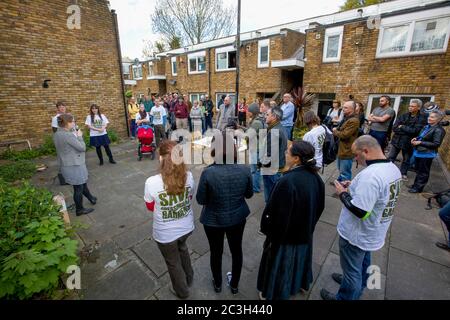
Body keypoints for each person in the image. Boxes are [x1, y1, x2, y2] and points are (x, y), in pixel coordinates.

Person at [320, 135, 401, 300]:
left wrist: (342, 194)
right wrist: (354, 186)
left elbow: (360, 211)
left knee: (352, 270)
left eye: (356, 155)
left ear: (366, 151)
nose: (355, 159)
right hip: (374, 231)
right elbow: (379, 196)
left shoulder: (371, 176)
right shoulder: (392, 168)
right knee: (363, 263)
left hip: (357, 234)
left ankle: (346, 294)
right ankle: (359, 282)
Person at [258, 141, 325, 300]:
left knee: (282, 267)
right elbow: (319, 207)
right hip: (304, 232)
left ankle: (275, 291)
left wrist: (269, 233)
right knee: (299, 263)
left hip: (286, 237)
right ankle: (298, 283)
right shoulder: (316, 178)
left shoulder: (287, 181)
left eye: (288, 152)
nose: (285, 154)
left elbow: (275, 214)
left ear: (296, 159)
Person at [196, 131, 253, 295]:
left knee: (216, 251)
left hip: (213, 219)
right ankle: (234, 285)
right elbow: (249, 194)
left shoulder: (208, 172)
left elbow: (201, 200)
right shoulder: (245, 170)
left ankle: (218, 283)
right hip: (237, 217)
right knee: (237, 250)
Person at [144, 140, 195, 299]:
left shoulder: (151, 182)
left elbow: (151, 207)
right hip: (186, 226)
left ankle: (182, 291)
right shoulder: (190, 176)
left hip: (165, 234)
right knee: (183, 248)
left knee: (173, 262)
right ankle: (189, 277)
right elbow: (190, 197)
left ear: (160, 158)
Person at [53, 114, 97, 216]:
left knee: (82, 183)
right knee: (78, 188)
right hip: (74, 165)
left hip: (66, 164)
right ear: (66, 123)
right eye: (72, 121)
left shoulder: (57, 134)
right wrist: (80, 137)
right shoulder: (67, 135)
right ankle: (79, 209)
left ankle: (91, 198)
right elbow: (82, 148)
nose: (74, 123)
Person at [388, 99, 427, 180]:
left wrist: (402, 126)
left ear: (418, 107)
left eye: (413, 106)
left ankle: (403, 173)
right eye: (410, 106)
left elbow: (415, 131)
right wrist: (407, 130)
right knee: (391, 157)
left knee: (406, 159)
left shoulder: (422, 118)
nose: (410, 107)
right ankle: (387, 171)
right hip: (397, 140)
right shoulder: (403, 115)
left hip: (408, 142)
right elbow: (394, 128)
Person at [408, 110, 446, 193]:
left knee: (423, 172)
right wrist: (416, 138)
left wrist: (420, 142)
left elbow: (436, 144)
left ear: (438, 119)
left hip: (427, 154)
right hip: (419, 151)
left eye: (432, 117)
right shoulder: (427, 126)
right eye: (429, 116)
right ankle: (416, 185)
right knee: (418, 170)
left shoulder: (439, 130)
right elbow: (422, 136)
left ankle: (418, 188)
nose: (429, 118)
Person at [260, 107, 288, 203]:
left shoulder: (274, 131)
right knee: (274, 194)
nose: (265, 116)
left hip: (272, 169)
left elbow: (269, 154)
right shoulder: (279, 127)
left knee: (271, 196)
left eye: (267, 114)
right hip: (277, 167)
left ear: (274, 117)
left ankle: (270, 213)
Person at [332, 101, 360, 183]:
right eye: (343, 107)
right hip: (341, 148)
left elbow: (344, 135)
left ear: (352, 109)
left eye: (346, 107)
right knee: (341, 169)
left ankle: (344, 188)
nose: (343, 109)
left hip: (347, 150)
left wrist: (335, 131)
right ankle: (340, 182)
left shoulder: (354, 120)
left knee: (345, 172)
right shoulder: (346, 117)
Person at [247, 102, 266, 193]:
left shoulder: (256, 122)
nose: (247, 112)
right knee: (256, 169)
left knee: (255, 170)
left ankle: (256, 188)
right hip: (257, 147)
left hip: (256, 149)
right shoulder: (257, 120)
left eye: (249, 110)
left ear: (252, 112)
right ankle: (256, 186)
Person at [52, 101, 68, 185]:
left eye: (63, 106)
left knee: (68, 159)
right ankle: (62, 179)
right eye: (60, 106)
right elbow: (54, 130)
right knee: (62, 159)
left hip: (69, 139)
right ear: (57, 108)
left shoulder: (68, 116)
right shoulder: (56, 118)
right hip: (61, 140)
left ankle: (69, 176)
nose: (62, 108)